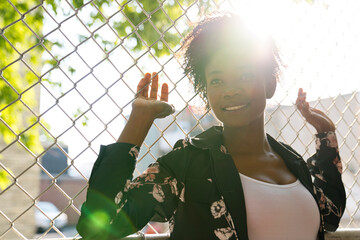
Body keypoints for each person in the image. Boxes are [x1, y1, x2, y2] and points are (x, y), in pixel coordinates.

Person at [76, 13, 346, 240]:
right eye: (217, 81)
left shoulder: (291, 161)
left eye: (244, 75)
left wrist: (326, 135)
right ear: (206, 93)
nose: (229, 91)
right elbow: (100, 226)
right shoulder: (188, 163)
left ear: (270, 85)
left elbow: (330, 215)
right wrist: (139, 119)